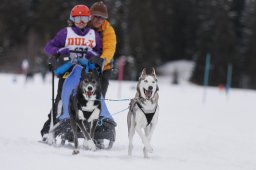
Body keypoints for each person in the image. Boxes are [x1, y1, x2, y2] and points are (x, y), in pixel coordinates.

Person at [40, 4, 102, 140]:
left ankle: (92, 129)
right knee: (61, 100)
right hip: (68, 72)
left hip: (86, 75)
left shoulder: (94, 35)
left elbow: (98, 52)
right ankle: (49, 129)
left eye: (85, 18)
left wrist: (92, 56)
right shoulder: (65, 33)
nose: (81, 21)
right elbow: (48, 47)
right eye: (78, 18)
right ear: (72, 19)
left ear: (89, 19)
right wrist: (60, 51)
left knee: (89, 100)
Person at [89, 1, 117, 98]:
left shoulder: (108, 30)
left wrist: (102, 60)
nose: (98, 20)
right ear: (90, 15)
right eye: (96, 16)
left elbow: (110, 48)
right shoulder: (83, 25)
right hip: (85, 67)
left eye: (101, 17)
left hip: (103, 69)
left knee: (99, 98)